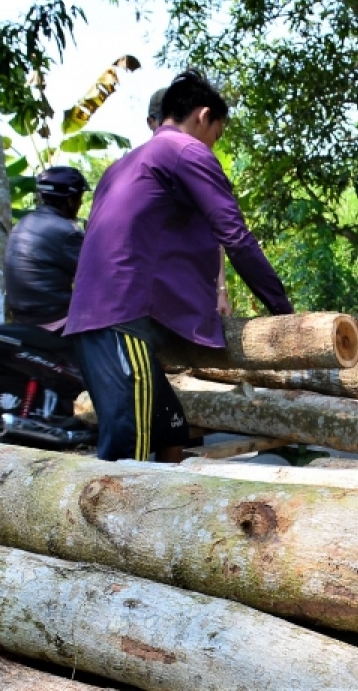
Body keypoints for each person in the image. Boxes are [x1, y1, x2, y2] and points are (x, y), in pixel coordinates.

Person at [65, 69, 294, 463]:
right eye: (217, 135)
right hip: (123, 319)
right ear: (203, 116)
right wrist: (283, 311)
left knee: (170, 427)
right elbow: (235, 237)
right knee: (127, 465)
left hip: (97, 314)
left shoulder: (125, 164)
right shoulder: (186, 151)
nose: (213, 145)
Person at [148, 85, 232, 317]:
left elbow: (222, 233)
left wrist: (221, 290)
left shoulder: (191, 161)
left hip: (189, 296)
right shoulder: (145, 171)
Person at [3, 166, 89, 331]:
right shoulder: (67, 231)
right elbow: (95, 276)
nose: (81, 203)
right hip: (54, 318)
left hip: (22, 317)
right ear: (70, 200)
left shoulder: (23, 223)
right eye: (79, 198)